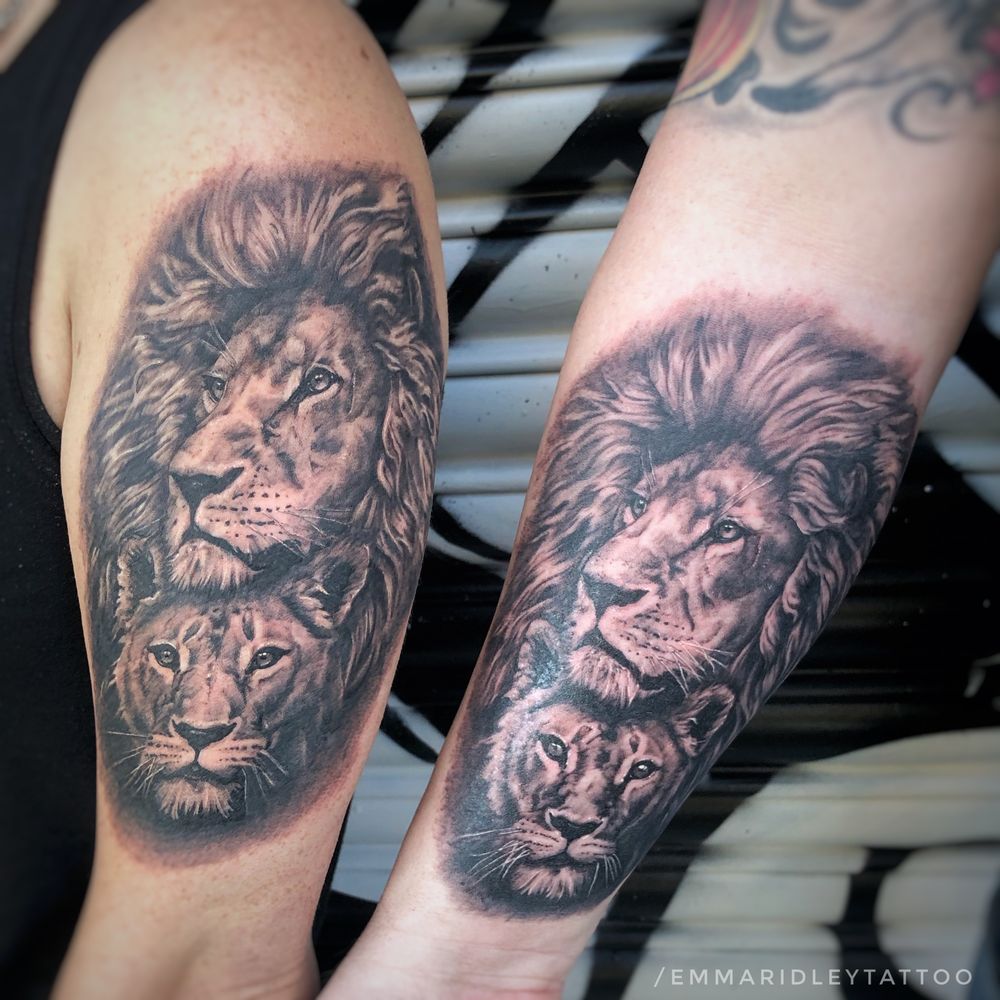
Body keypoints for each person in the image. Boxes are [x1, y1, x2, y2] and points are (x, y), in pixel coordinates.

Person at [0, 2, 995, 999]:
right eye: (627, 515)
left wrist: (466, 961)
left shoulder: (212, 83)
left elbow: (207, 966)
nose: (612, 567)